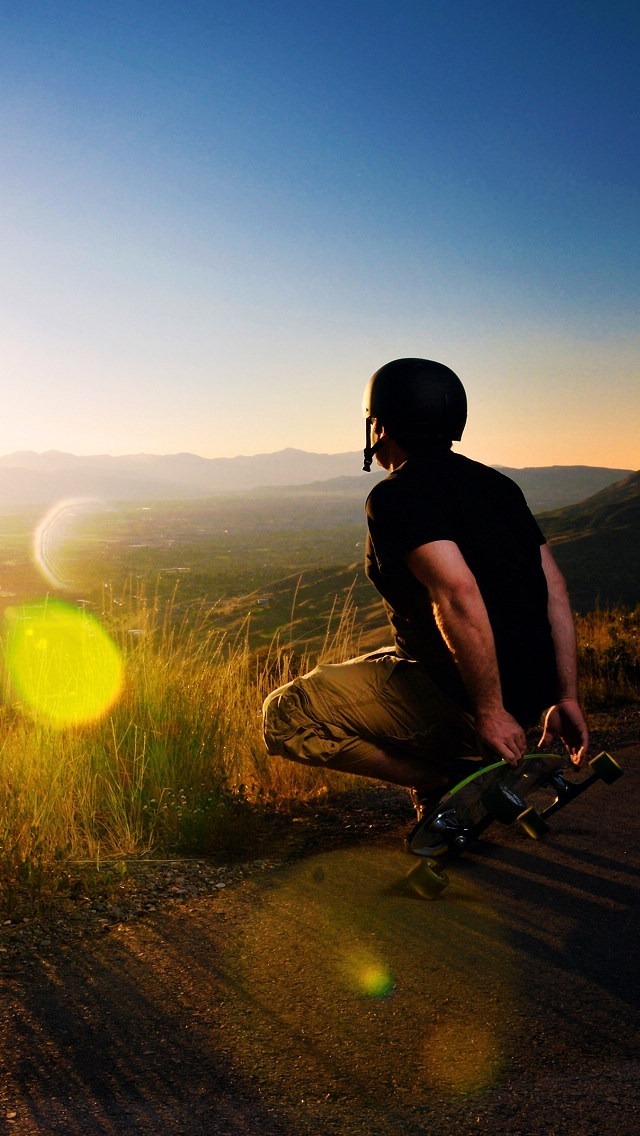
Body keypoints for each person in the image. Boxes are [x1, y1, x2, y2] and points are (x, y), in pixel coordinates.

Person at [262, 357, 589, 820]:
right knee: (374, 661)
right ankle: (459, 761)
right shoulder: (499, 486)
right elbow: (554, 590)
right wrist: (565, 696)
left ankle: (443, 779)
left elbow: (456, 594)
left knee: (286, 714)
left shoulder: (396, 496)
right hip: (526, 699)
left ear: (380, 425)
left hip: (469, 708)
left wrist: (490, 711)